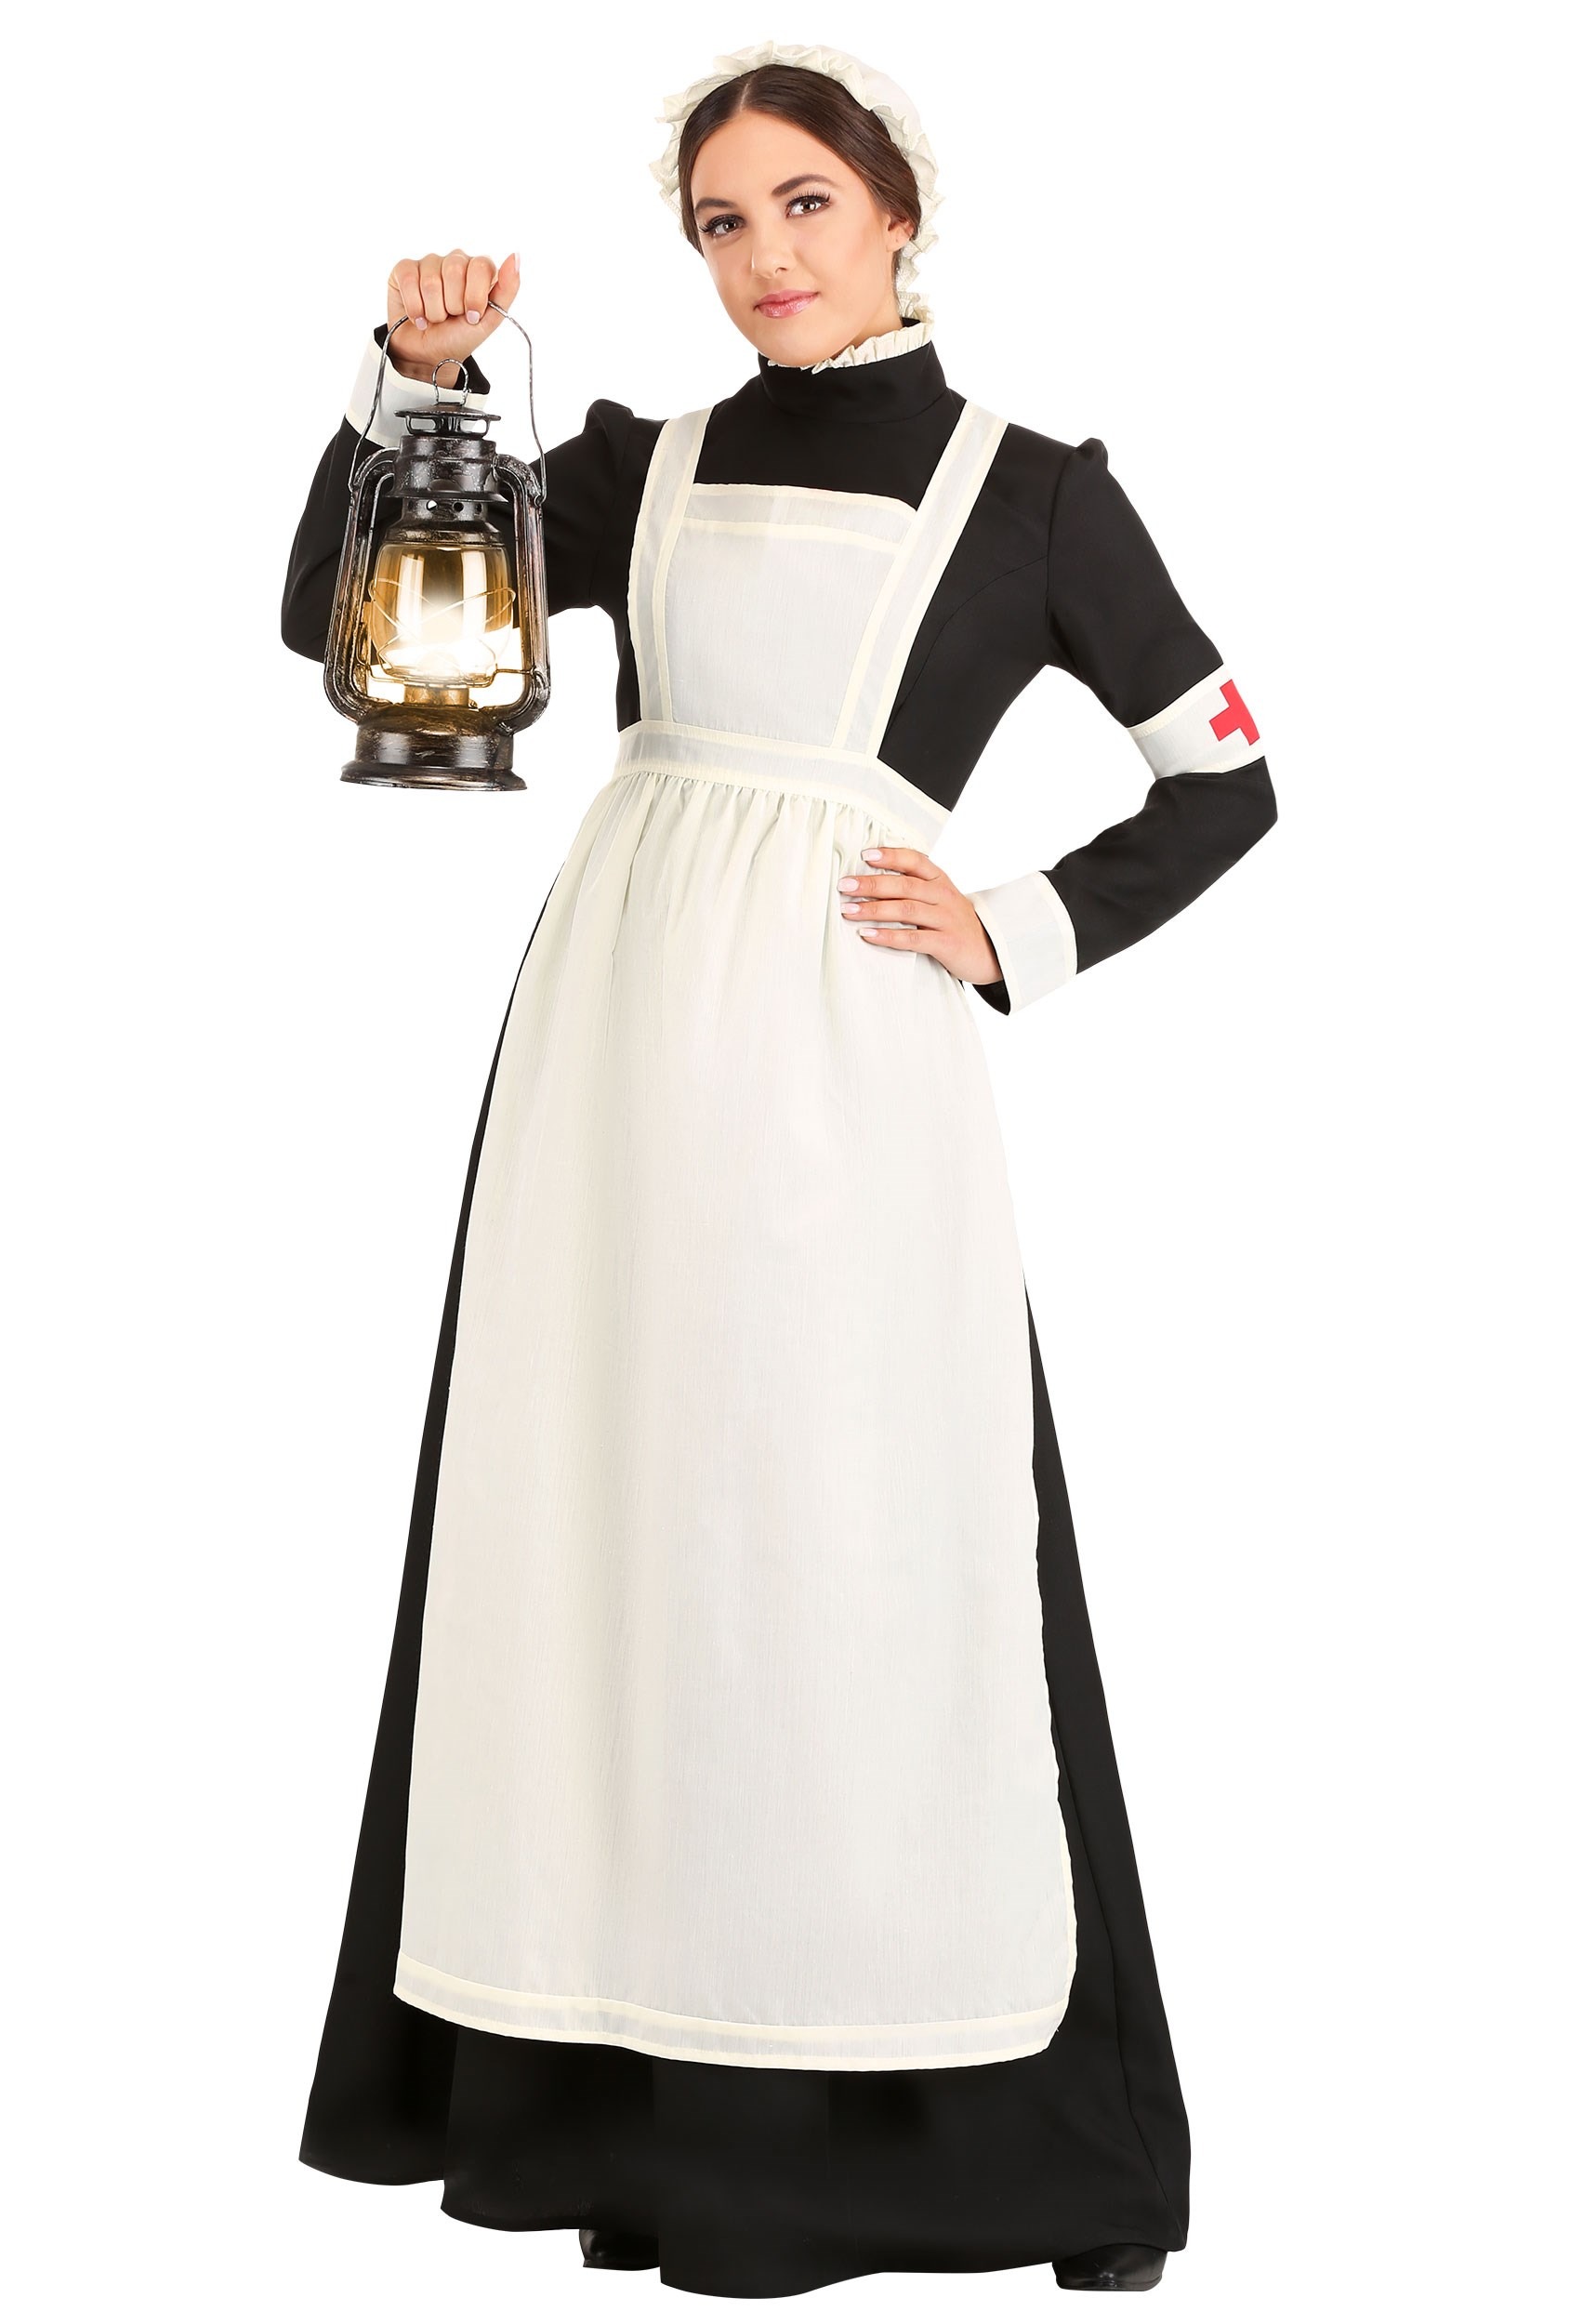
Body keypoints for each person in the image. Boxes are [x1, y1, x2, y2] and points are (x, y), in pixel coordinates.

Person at [283, 41, 1276, 2303]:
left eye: (802, 204)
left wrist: (1015, 925)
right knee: (597, 1536)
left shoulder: (1037, 496)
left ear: (896, 210)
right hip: (606, 1052)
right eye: (720, 222)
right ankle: (612, 2111)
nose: (763, 257)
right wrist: (413, 390)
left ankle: (983, 2142)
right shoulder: (633, 463)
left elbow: (1222, 778)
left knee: (862, 1544)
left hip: (845, 1075)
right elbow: (334, 618)